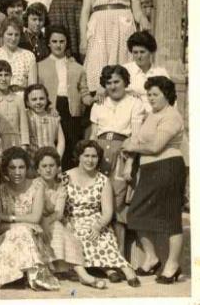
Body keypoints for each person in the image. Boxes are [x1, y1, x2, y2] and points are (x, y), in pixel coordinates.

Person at [122, 76, 186, 283]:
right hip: (149, 170)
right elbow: (139, 140)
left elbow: (155, 146)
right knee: (136, 212)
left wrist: (131, 146)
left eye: (155, 94)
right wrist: (131, 154)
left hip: (168, 168)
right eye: (149, 94)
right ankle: (151, 258)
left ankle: (172, 265)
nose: (150, 98)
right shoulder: (151, 115)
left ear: (166, 95)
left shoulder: (172, 116)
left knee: (170, 217)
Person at [61, 140, 141, 287]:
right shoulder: (66, 177)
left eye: (94, 156)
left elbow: (108, 212)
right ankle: (108, 270)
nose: (90, 160)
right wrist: (66, 223)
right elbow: (59, 206)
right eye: (86, 156)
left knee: (104, 239)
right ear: (79, 157)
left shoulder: (103, 180)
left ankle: (124, 268)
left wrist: (98, 226)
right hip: (72, 220)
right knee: (81, 237)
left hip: (96, 220)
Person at [33, 147, 105, 289]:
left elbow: (59, 213)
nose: (48, 170)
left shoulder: (60, 187)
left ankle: (82, 274)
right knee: (58, 229)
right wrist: (43, 221)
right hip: (36, 221)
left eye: (52, 166)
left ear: (58, 168)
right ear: (38, 169)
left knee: (64, 231)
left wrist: (48, 221)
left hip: (51, 221)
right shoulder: (34, 185)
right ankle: (82, 275)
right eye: (44, 166)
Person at [90, 65, 144, 249]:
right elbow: (93, 135)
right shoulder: (99, 103)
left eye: (117, 82)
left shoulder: (135, 103)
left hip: (122, 153)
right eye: (109, 83)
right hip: (99, 153)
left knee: (117, 203)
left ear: (125, 82)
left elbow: (135, 137)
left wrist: (130, 163)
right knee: (97, 201)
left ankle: (119, 253)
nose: (113, 86)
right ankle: (99, 252)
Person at [0, 147, 60, 290]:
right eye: (12, 168)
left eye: (21, 167)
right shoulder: (0, 190)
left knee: (24, 232)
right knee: (20, 231)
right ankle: (28, 276)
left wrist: (9, 218)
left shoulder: (37, 186)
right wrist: (20, 224)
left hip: (32, 236)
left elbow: (35, 218)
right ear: (5, 170)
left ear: (27, 168)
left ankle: (25, 276)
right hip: (7, 235)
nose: (17, 172)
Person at [37, 26, 92, 169]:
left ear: (67, 43)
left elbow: (84, 91)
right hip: (51, 109)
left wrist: (93, 98)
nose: (58, 45)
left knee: (72, 146)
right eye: (54, 41)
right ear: (48, 43)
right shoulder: (39, 66)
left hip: (72, 110)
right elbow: (37, 92)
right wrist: (48, 107)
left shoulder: (77, 67)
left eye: (62, 41)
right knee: (53, 145)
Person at [122, 31, 170, 113]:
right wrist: (126, 93)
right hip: (130, 115)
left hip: (157, 116)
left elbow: (171, 100)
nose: (139, 56)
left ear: (151, 52)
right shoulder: (124, 70)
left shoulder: (161, 72)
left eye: (142, 52)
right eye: (135, 52)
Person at [0, 19, 37, 91]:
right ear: (2, 34)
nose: (13, 38)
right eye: (10, 34)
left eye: (16, 35)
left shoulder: (28, 55)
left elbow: (32, 87)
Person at [0, 60, 30, 150]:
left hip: (15, 144)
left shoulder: (18, 99)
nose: (3, 79)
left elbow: (24, 126)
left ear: (11, 76)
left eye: (6, 75)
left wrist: (24, 147)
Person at [24, 84, 65, 157]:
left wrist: (58, 158)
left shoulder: (54, 117)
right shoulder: (25, 116)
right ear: (27, 102)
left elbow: (61, 141)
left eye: (42, 98)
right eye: (34, 99)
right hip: (32, 159)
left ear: (47, 99)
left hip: (50, 158)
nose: (38, 102)